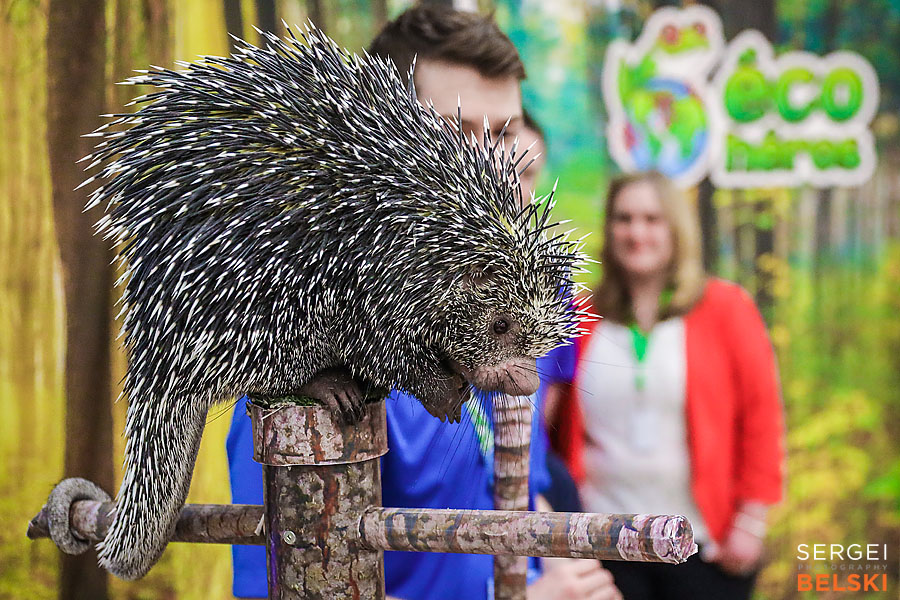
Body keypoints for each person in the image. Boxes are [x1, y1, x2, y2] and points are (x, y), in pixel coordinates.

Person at [227, 6, 621, 600]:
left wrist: (557, 567)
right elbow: (294, 588)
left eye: (504, 133)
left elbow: (519, 488)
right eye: (455, 134)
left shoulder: (508, 306)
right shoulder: (317, 345)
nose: (495, 167)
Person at [548, 170, 785, 599]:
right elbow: (550, 423)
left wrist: (751, 522)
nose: (637, 232)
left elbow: (761, 418)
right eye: (624, 218)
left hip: (701, 542)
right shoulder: (580, 314)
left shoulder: (725, 308)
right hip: (604, 539)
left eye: (652, 219)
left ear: (676, 228)